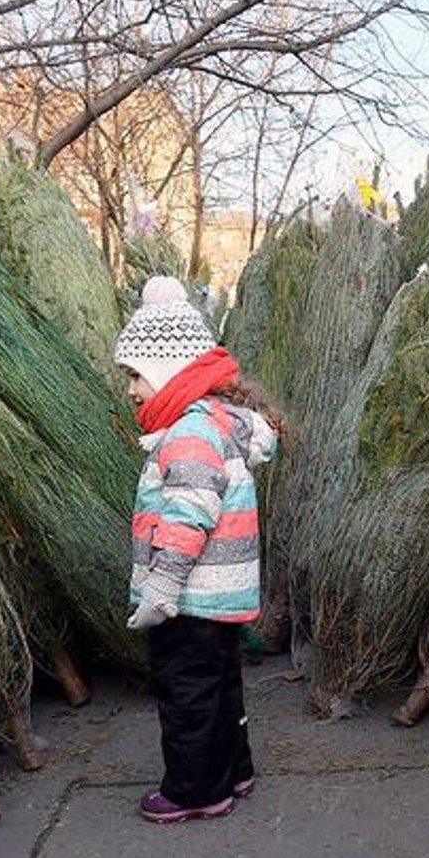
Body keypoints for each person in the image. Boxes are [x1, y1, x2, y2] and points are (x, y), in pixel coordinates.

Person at [114, 275, 279, 824]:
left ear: (169, 374)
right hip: (220, 596)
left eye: (137, 374)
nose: (132, 389)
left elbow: (188, 518)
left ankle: (194, 790)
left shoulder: (188, 434)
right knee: (221, 687)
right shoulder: (214, 425)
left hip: (189, 597)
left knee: (186, 694)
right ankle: (233, 770)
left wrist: (160, 589)